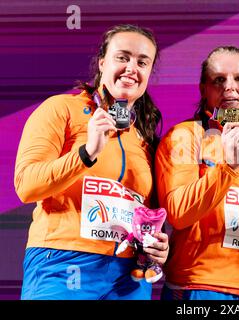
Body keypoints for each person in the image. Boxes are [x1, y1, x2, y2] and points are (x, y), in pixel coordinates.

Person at [14, 24, 169, 300]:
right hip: (62, 263)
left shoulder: (145, 137)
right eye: (123, 57)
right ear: (102, 62)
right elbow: (26, 185)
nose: (132, 67)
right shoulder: (61, 109)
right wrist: (86, 153)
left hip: (128, 278)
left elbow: (148, 215)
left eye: (142, 62)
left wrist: (157, 247)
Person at [155, 46, 239, 300]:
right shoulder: (185, 135)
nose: (229, 87)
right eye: (219, 80)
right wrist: (227, 168)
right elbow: (178, 212)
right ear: (204, 89)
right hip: (198, 286)